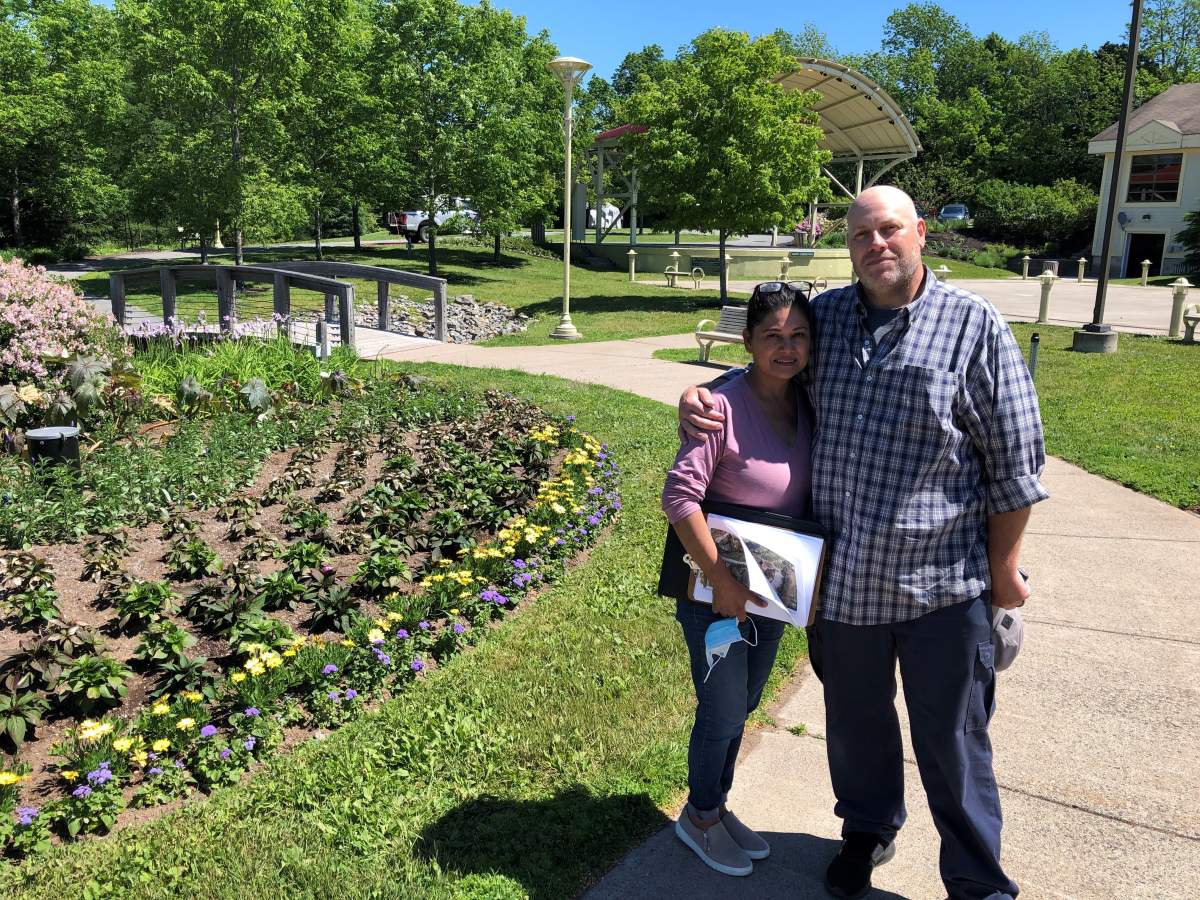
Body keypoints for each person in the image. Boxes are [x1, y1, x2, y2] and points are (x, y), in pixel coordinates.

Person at [678, 185, 1047, 900]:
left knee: (953, 743)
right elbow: (767, 371)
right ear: (846, 246)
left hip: (942, 585)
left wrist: (1004, 572)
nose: (876, 245)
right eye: (860, 235)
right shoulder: (829, 319)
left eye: (889, 230)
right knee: (855, 728)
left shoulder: (975, 326)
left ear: (921, 235)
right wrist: (702, 395)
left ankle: (977, 883)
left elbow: (1017, 464)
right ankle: (867, 830)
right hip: (842, 585)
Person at [662, 283, 815, 878]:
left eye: (798, 335)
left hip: (772, 590)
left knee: (745, 703)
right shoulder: (719, 406)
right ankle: (697, 818)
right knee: (722, 711)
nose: (786, 347)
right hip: (716, 595)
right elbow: (679, 497)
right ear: (747, 341)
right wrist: (721, 579)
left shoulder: (805, 399)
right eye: (772, 336)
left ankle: (715, 806)